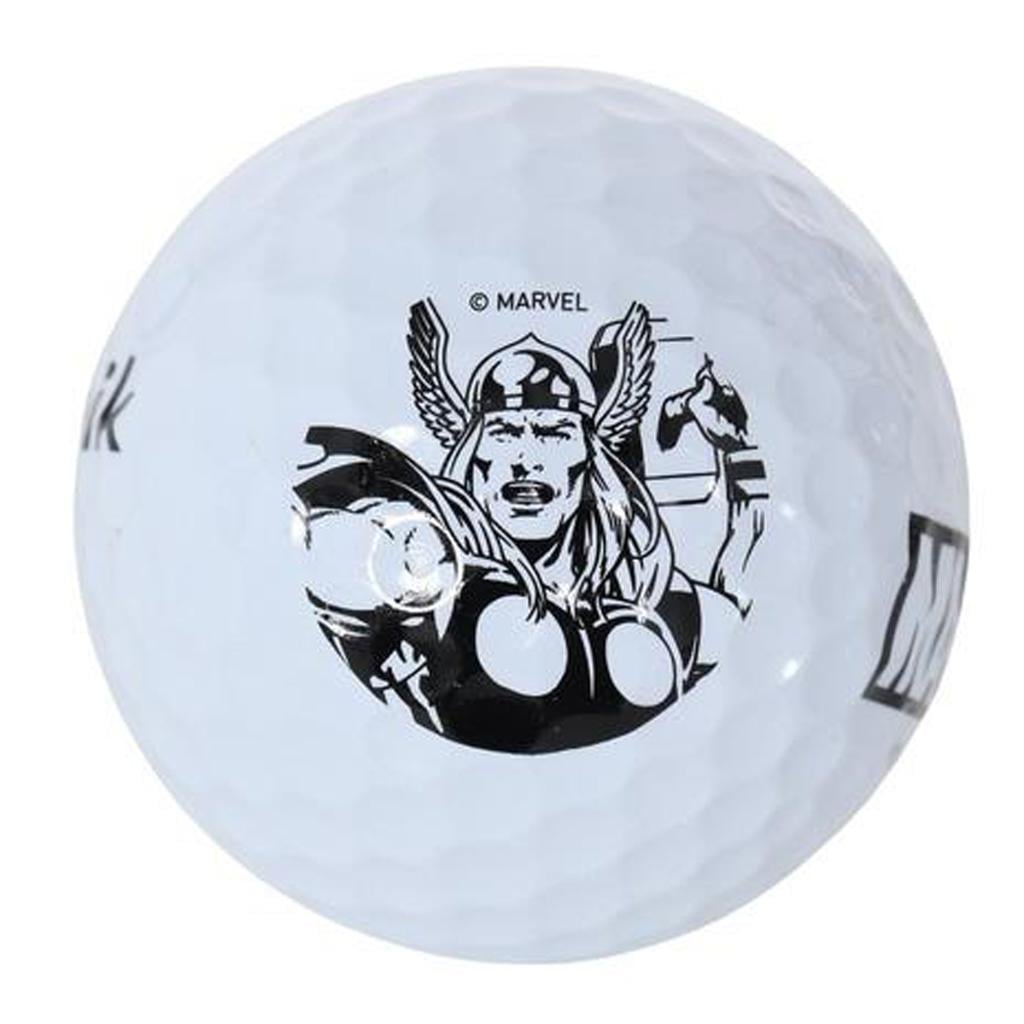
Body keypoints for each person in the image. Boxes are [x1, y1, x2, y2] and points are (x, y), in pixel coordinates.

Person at [293, 300, 765, 753]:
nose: (525, 459)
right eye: (504, 433)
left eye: (553, 433)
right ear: (473, 452)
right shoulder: (410, 589)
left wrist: (738, 452)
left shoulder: (652, 591)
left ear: (589, 457)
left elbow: (743, 625)